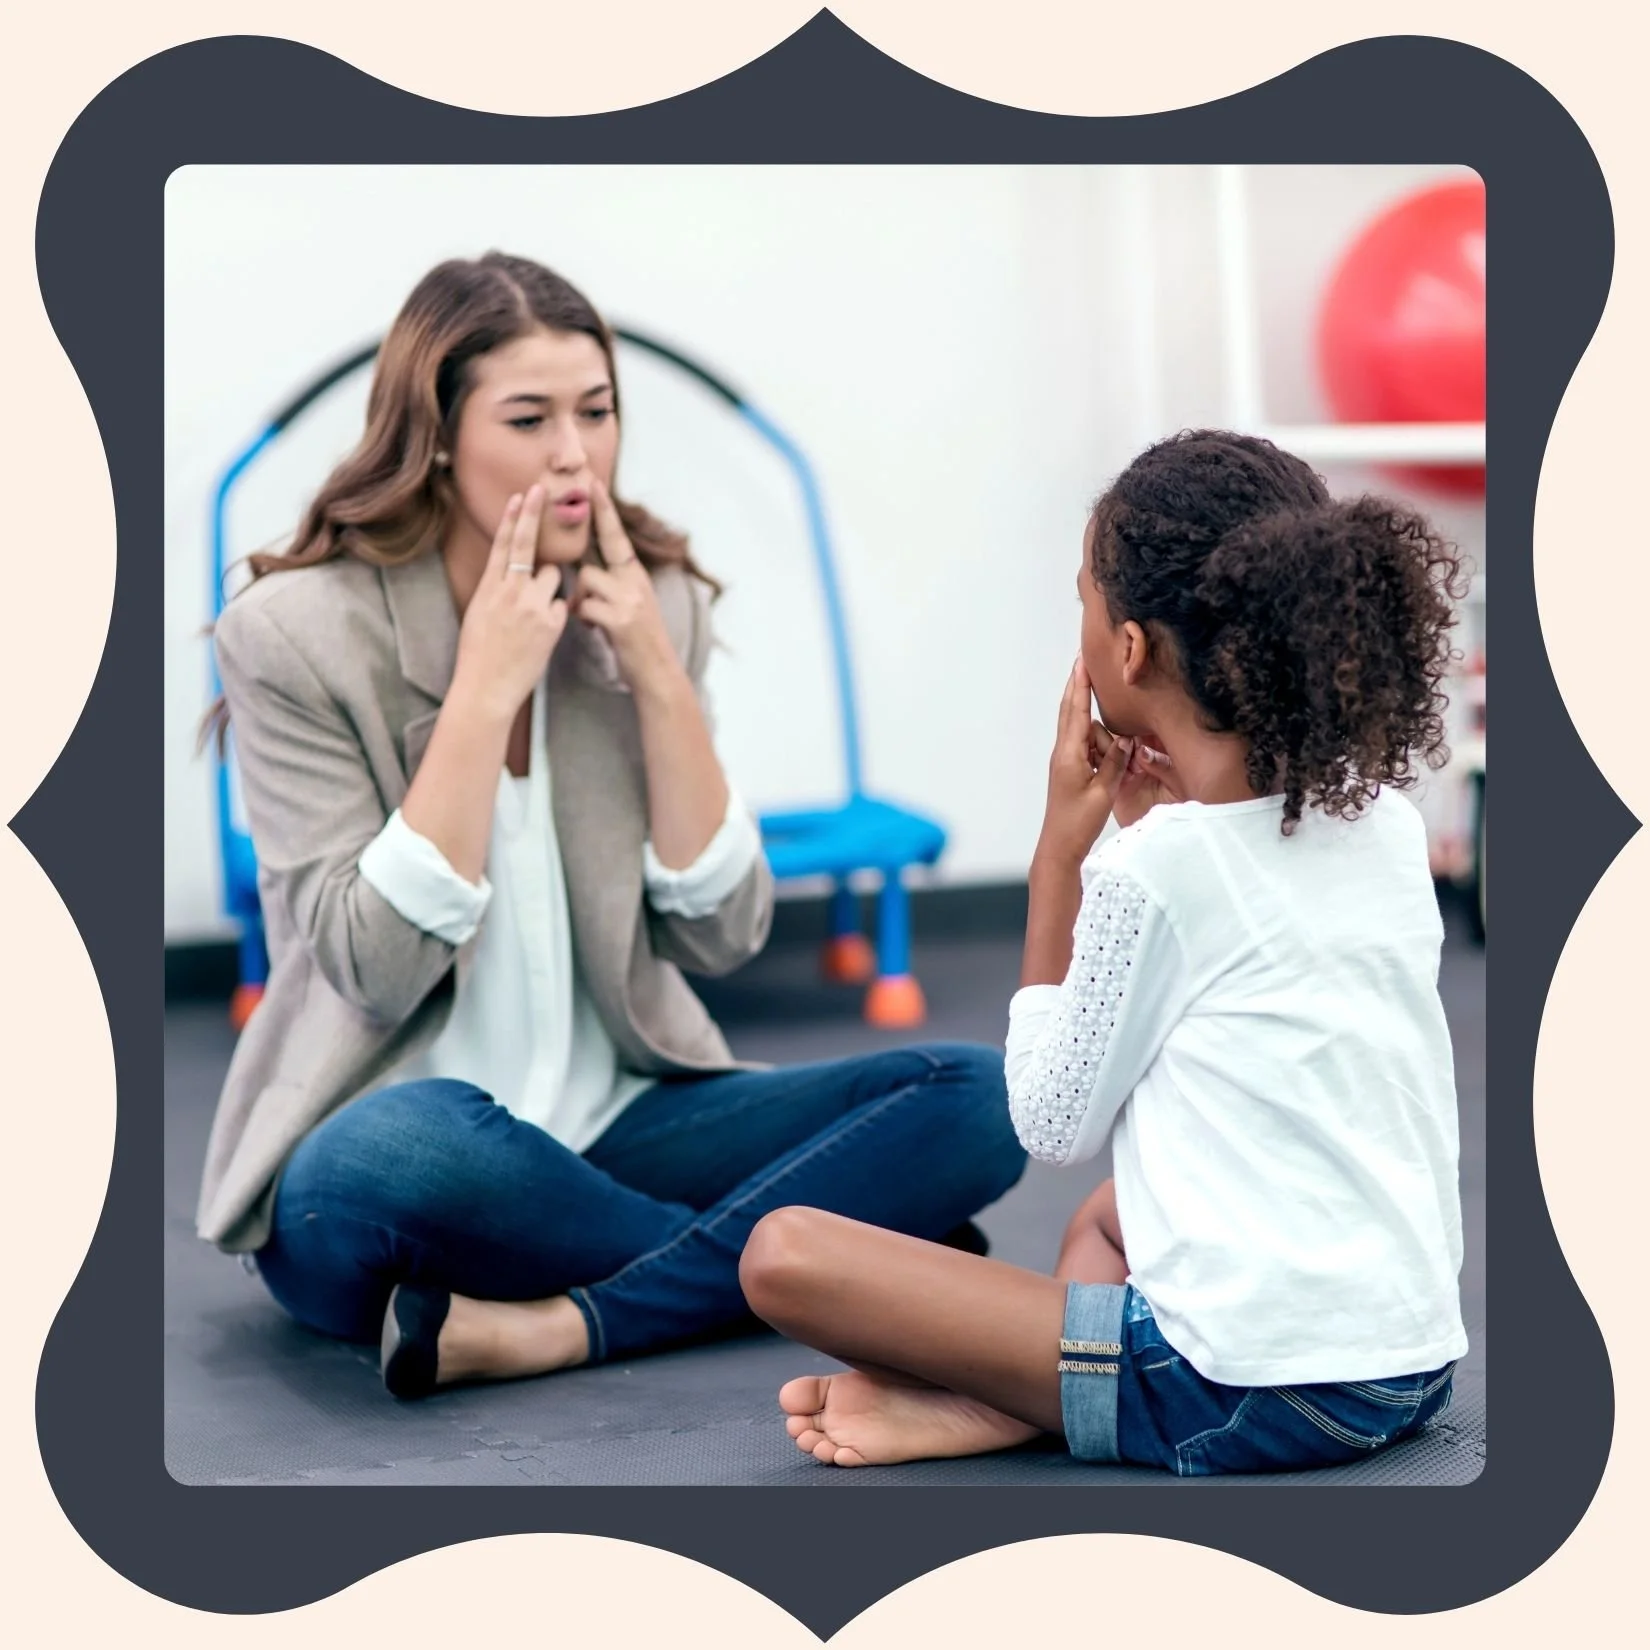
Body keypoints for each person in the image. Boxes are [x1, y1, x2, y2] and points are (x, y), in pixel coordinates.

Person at [194, 251, 1025, 1400]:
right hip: (393, 1141)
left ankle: (565, 1322)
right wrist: (485, 687)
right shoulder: (293, 633)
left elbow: (723, 935)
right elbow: (373, 969)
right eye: (529, 418)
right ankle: (824, 1261)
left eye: (597, 412)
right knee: (405, 1149)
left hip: (617, 1119)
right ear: (435, 435)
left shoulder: (653, 600)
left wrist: (651, 669)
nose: (575, 453)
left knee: (979, 1097)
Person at [740, 430, 1469, 1475]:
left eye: (1082, 595)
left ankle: (1024, 1398)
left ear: (1126, 649)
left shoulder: (1156, 870)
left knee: (786, 1254)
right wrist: (1141, 839)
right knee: (1111, 1219)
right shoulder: (1385, 824)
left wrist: (1061, 858)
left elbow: (1051, 1118)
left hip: (1249, 1395)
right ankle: (1033, 1395)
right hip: (1406, 1368)